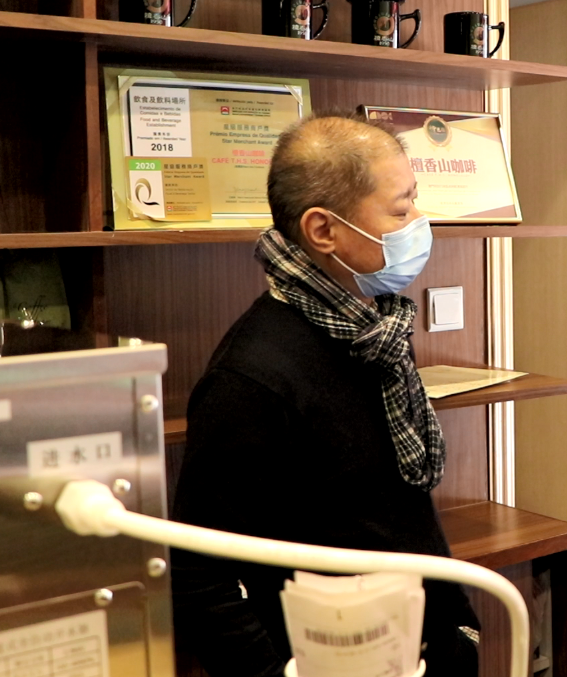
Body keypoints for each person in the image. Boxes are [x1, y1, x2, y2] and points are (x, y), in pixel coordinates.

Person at [170, 112, 479, 676]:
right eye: (401, 211)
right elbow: (199, 577)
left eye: (415, 202)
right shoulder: (251, 377)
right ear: (323, 230)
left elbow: (401, 511)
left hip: (417, 646)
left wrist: (458, 630)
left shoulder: (375, 331)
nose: (419, 223)